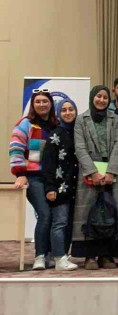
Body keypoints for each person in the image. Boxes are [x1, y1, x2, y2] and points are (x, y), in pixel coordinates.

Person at [72, 86, 118, 270]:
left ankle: (106, 255)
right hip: (89, 173)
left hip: (112, 173)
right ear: (92, 97)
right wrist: (93, 172)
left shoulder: (115, 119)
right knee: (89, 214)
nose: (101, 100)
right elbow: (80, 147)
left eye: (105, 97)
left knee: (110, 213)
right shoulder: (81, 119)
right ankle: (89, 256)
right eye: (98, 96)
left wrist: (111, 171)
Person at [9, 90, 58, 270]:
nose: (42, 104)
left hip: (54, 179)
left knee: (55, 217)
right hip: (34, 178)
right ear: (33, 104)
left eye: (45, 101)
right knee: (44, 214)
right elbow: (16, 149)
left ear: (51, 104)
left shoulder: (56, 125)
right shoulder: (25, 124)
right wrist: (20, 173)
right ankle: (39, 256)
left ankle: (52, 255)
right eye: (38, 102)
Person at [41, 98, 79, 271]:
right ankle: (59, 258)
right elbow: (48, 164)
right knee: (60, 223)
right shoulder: (54, 135)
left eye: (71, 109)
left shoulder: (78, 133)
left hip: (75, 187)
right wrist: (50, 188)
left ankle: (60, 255)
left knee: (69, 224)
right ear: (58, 113)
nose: (68, 113)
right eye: (64, 110)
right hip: (59, 187)